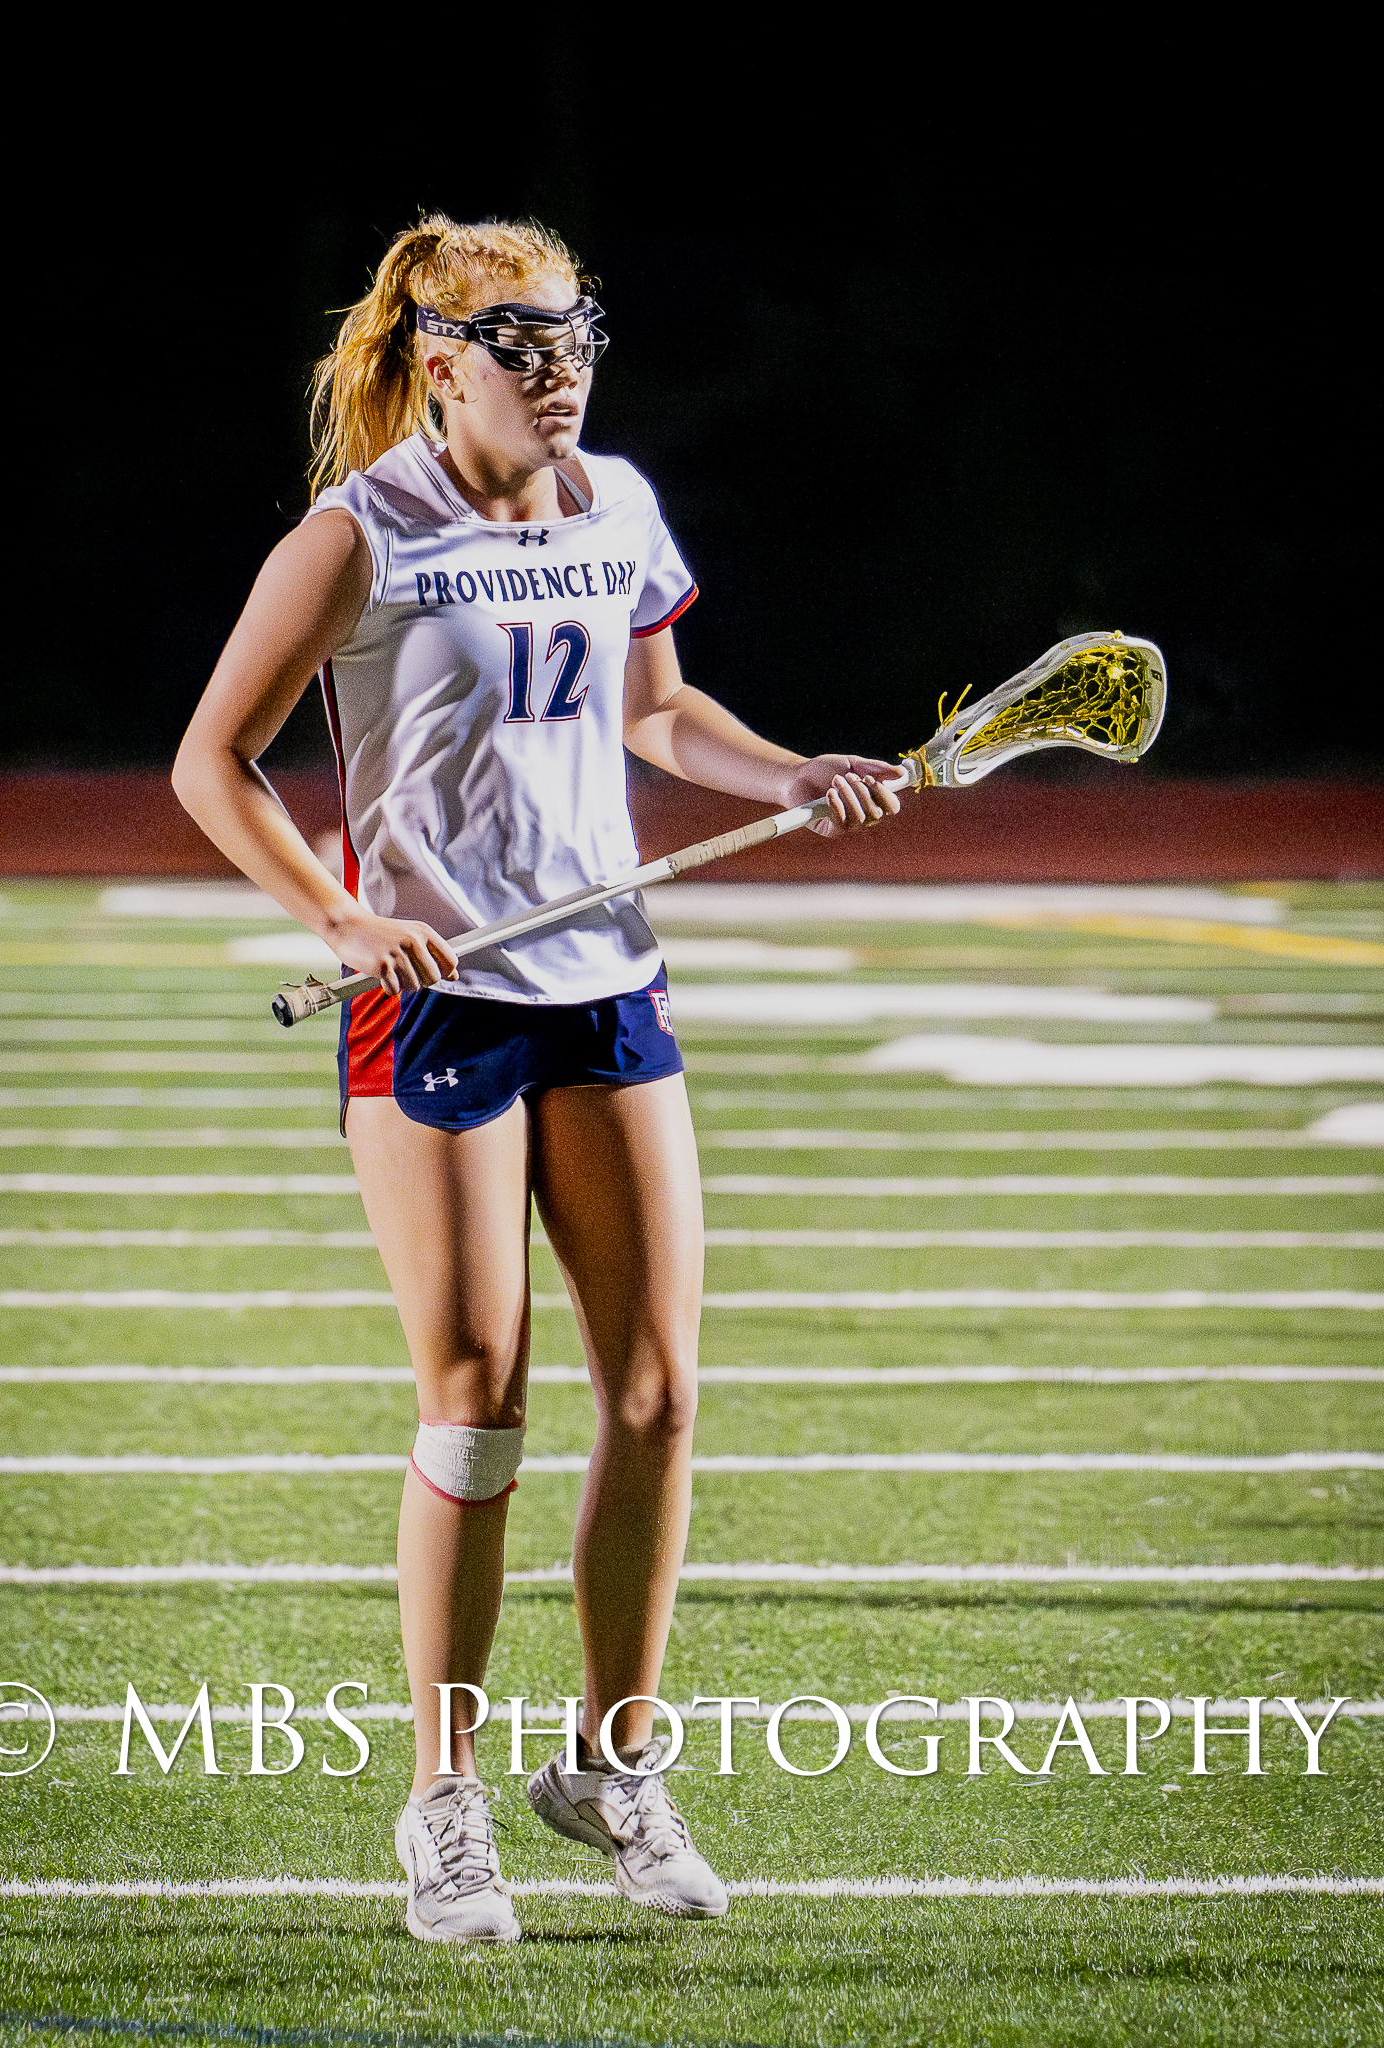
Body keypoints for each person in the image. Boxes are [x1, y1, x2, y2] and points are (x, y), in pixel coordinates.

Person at [173, 214, 898, 1943]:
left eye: (576, 336)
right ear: (441, 360)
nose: (559, 369)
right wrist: (342, 918)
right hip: (437, 1008)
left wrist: (791, 774)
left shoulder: (614, 504)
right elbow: (213, 762)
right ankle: (444, 1802)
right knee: (477, 1402)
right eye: (520, 343)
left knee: (658, 1394)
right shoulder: (358, 533)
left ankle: (612, 1765)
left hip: (607, 983)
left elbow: (657, 713)